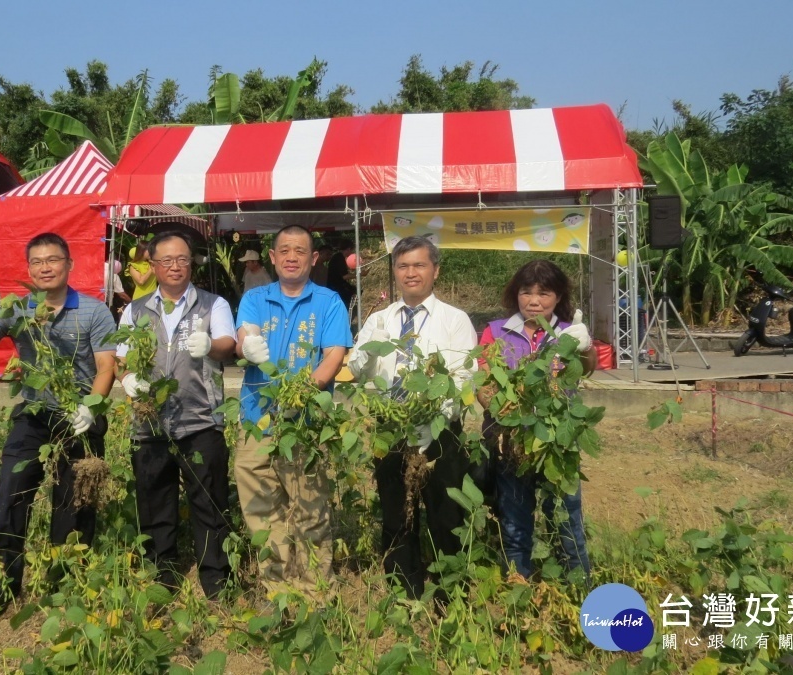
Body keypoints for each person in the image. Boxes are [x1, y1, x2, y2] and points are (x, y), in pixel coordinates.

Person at [0, 232, 117, 614]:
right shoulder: (18, 308)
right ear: (29, 268)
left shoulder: (95, 311)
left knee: (75, 498)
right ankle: (2, 582)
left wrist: (91, 408)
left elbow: (105, 367)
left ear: (69, 264)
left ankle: (64, 578)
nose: (45, 267)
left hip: (78, 415)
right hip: (34, 413)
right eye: (37, 262)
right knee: (11, 493)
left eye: (53, 260)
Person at [347, 236, 478, 599]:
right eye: (403, 266)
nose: (411, 273)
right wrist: (370, 350)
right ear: (394, 272)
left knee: (444, 513)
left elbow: (463, 374)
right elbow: (357, 370)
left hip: (439, 431)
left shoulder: (455, 320)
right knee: (396, 514)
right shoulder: (379, 319)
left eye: (419, 265)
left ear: (435, 270)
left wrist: (433, 415)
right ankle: (404, 592)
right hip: (390, 429)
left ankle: (448, 594)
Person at [116, 231, 237, 599]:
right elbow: (121, 357)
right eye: (166, 260)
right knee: (154, 500)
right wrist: (128, 377)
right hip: (149, 422)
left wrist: (211, 345)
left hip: (201, 420)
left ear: (192, 262)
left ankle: (216, 577)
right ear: (151, 266)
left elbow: (228, 344)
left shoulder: (212, 304)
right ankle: (162, 573)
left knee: (209, 501)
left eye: (182, 259)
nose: (174, 267)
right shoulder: (135, 310)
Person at [235, 225, 352, 587]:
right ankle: (277, 587)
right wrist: (246, 347)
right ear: (272, 257)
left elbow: (333, 355)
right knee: (261, 508)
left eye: (299, 251)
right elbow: (244, 338)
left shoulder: (328, 301)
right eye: (284, 250)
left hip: (305, 422)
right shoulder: (256, 299)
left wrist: (301, 393)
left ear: (313, 258)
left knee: (310, 507)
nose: (291, 257)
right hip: (256, 418)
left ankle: (315, 589)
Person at [475, 259, 596, 580]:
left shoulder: (570, 333)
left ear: (558, 297)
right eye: (526, 292)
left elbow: (587, 368)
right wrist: (505, 408)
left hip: (558, 443)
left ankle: (578, 591)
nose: (533, 300)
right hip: (510, 442)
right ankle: (518, 593)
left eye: (543, 293)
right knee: (514, 523)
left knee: (567, 520)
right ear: (515, 295)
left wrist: (583, 346)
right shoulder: (496, 331)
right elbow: (484, 384)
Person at [326, 239, 356, 312]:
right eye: (352, 250)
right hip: (336, 288)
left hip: (335, 286)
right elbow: (344, 276)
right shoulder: (339, 258)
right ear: (349, 249)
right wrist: (359, 274)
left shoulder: (338, 257)